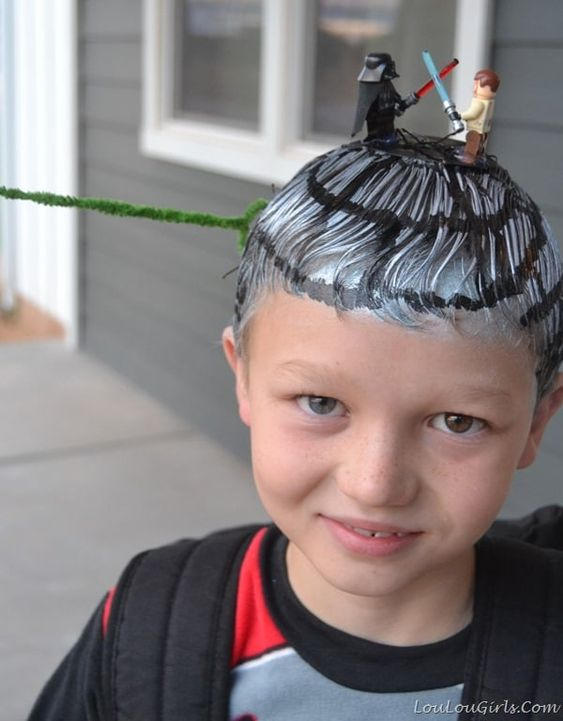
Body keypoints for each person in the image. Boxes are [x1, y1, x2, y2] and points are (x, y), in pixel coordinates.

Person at [28, 124, 563, 719]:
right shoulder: (146, 629)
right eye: (320, 404)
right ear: (244, 378)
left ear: (538, 421)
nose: (375, 484)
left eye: (457, 421)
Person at [459, 69, 500, 163]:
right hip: (484, 130)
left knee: (471, 140)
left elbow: (472, 114)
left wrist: (460, 115)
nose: (474, 88)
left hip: (476, 129)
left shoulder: (479, 103)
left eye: (477, 85)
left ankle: (468, 157)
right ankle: (478, 154)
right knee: (479, 144)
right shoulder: (490, 102)